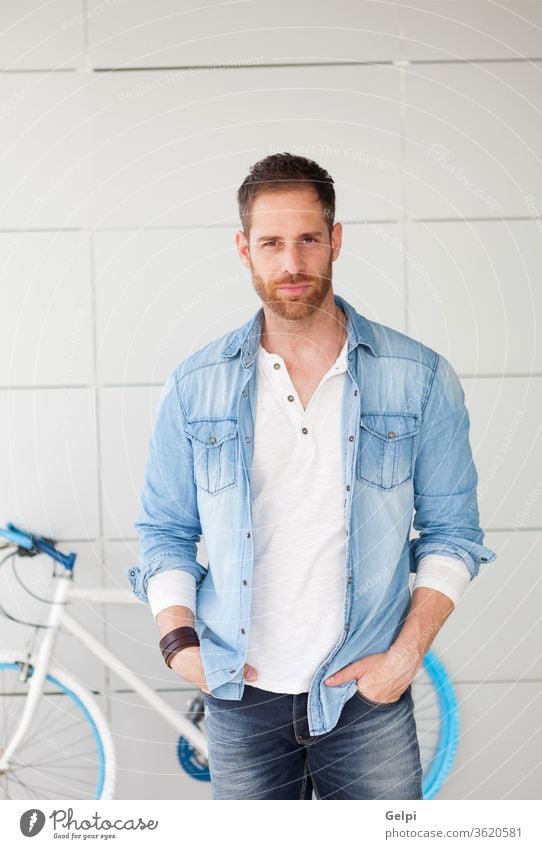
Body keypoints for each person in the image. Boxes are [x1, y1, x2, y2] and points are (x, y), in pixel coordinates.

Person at [127, 152, 497, 799]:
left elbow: (453, 533)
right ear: (244, 249)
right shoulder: (194, 385)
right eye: (271, 242)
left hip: (365, 700)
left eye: (307, 239)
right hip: (240, 695)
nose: (291, 262)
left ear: (336, 240)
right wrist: (181, 645)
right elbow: (164, 529)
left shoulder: (419, 377)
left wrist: (404, 657)